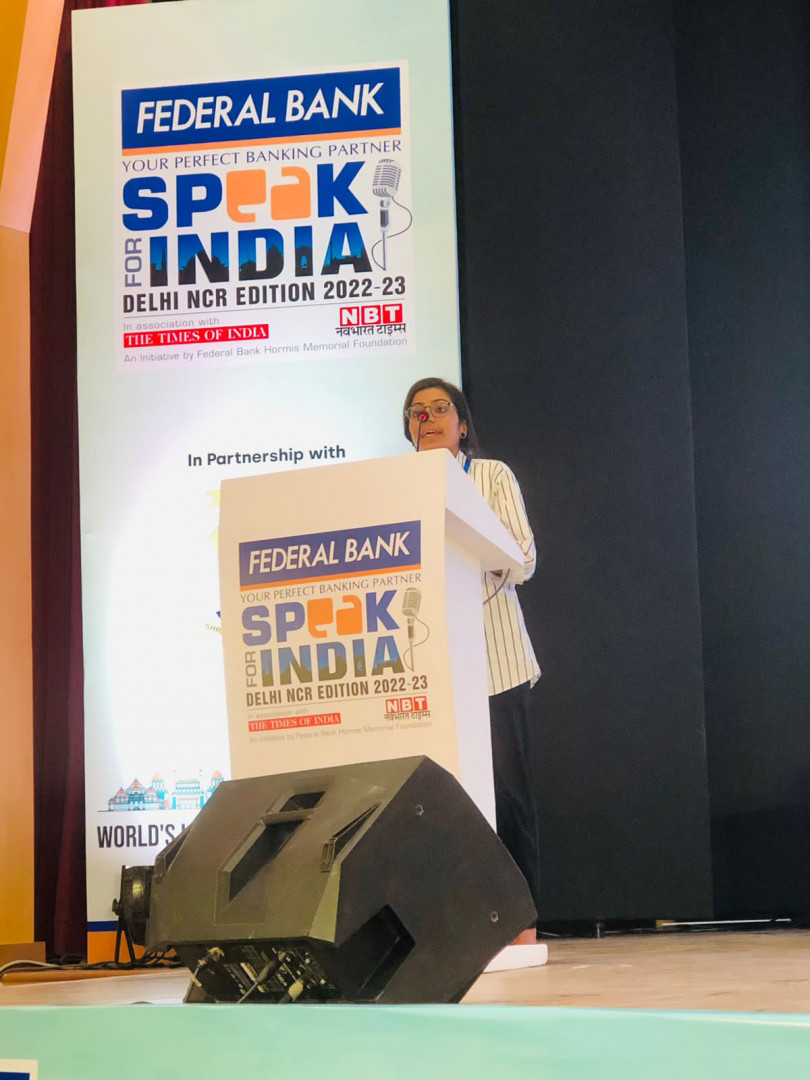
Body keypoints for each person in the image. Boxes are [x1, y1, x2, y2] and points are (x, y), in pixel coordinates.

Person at [402, 378, 541, 944]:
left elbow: (523, 558)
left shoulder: (491, 476)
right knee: (438, 801)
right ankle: (454, 927)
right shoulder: (398, 487)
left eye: (441, 409)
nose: (429, 418)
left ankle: (521, 923)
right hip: (428, 668)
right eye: (418, 412)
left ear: (462, 424)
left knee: (508, 794)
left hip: (495, 662)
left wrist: (463, 532)